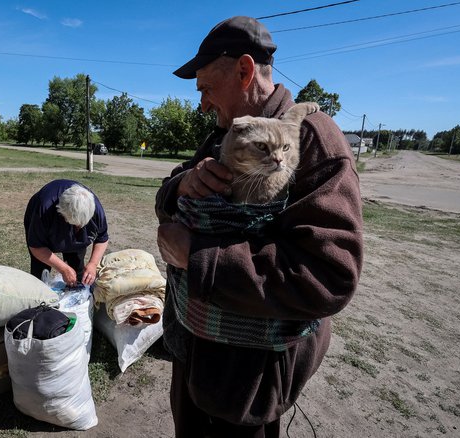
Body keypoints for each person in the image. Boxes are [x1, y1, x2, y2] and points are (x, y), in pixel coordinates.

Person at [155, 16, 363, 437]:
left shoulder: (312, 141)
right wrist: (182, 186)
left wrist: (198, 257)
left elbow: (329, 275)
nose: (202, 104)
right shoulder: (230, 131)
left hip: (246, 382)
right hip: (198, 353)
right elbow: (173, 185)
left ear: (245, 71)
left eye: (206, 89)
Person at [24, 179, 109, 287]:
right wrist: (62, 268)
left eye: (80, 226)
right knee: (40, 273)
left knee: (77, 273)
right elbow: (36, 247)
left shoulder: (96, 210)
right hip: (44, 222)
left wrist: (93, 264)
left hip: (74, 226)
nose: (77, 228)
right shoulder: (43, 209)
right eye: (74, 225)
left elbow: (102, 238)